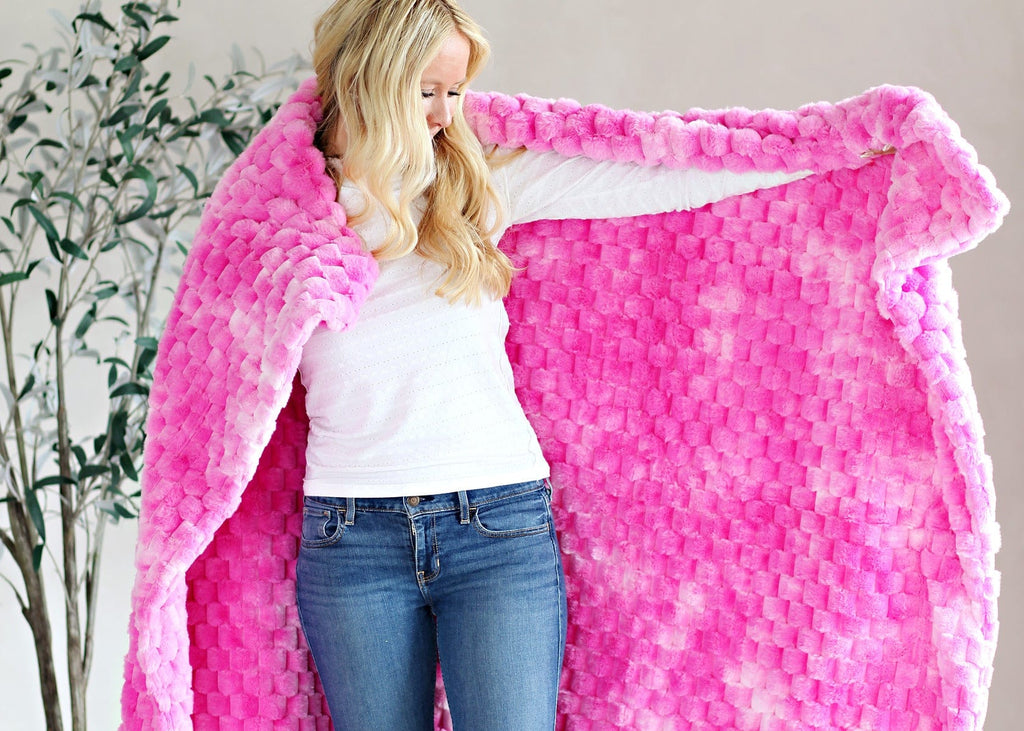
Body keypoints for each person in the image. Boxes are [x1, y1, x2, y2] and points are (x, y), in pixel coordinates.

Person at [282, 1, 803, 729]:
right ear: (371, 78)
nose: (445, 113)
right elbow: (222, 379)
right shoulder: (283, 208)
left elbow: (657, 173)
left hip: (497, 528)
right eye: (426, 90)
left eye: (455, 91)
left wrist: (819, 150)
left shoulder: (473, 185)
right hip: (350, 536)